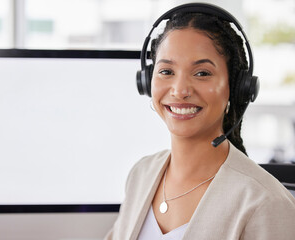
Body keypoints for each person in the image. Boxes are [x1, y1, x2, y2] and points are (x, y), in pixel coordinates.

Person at [105, 3, 295, 240]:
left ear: (235, 89)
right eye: (166, 71)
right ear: (146, 82)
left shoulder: (265, 202)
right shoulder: (141, 174)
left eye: (202, 73)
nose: (180, 90)